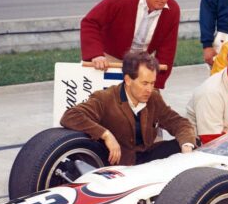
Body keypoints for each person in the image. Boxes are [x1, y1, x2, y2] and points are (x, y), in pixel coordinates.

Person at [60, 52, 196, 166]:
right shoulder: (105, 98)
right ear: (128, 80)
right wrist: (106, 134)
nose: (149, 89)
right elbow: (70, 116)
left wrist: (187, 146)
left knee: (192, 142)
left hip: (145, 159)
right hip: (116, 166)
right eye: (144, 83)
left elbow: (179, 123)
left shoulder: (154, 98)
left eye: (152, 83)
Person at [80, 0, 180, 89]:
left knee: (145, 103)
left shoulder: (173, 10)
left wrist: (157, 84)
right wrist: (95, 54)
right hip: (110, 59)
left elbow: (168, 48)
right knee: (105, 101)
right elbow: (90, 22)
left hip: (142, 61)